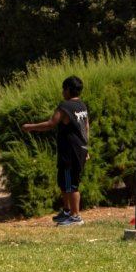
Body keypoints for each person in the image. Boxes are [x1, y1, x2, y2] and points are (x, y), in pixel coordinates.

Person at [21, 75, 90, 227]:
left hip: (70, 152)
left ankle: (76, 216)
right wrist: (86, 148)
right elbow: (86, 127)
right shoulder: (82, 106)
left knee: (71, 184)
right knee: (63, 181)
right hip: (77, 150)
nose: (62, 92)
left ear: (68, 90)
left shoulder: (65, 106)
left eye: (63, 89)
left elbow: (51, 124)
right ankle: (66, 211)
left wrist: (30, 127)